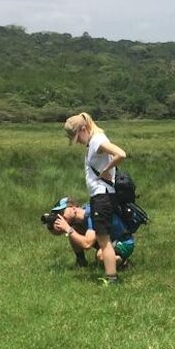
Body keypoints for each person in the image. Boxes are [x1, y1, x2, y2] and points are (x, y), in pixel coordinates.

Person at [63, 112, 127, 285]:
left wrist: (107, 169)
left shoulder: (97, 140)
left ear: (83, 129)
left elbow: (120, 154)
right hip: (100, 196)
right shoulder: (93, 142)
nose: (78, 142)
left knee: (103, 239)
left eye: (77, 137)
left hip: (102, 197)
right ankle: (112, 273)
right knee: (102, 238)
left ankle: (111, 279)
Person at [49, 197, 136, 268]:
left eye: (62, 212)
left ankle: (123, 263)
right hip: (106, 239)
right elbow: (57, 233)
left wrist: (68, 229)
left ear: (73, 208)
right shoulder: (81, 215)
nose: (60, 216)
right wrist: (52, 224)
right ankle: (81, 262)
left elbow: (87, 244)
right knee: (75, 231)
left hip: (123, 242)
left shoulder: (93, 214)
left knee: (101, 256)